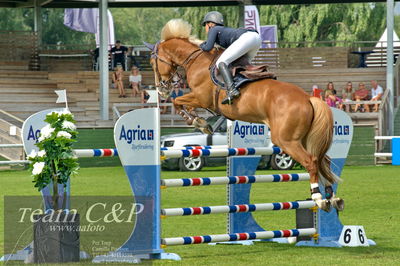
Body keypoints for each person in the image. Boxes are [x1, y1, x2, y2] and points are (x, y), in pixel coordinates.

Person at [199, 11, 262, 105]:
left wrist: (201, 45)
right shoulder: (222, 30)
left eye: (205, 25)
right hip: (256, 39)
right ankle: (246, 88)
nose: (205, 28)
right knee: (241, 66)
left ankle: (232, 90)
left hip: (247, 38)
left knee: (221, 62)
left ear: (210, 24)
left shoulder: (214, 29)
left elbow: (208, 47)